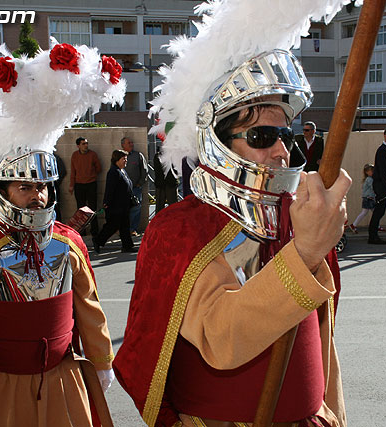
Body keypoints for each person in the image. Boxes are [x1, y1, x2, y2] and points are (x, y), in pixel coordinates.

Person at [114, 3, 351, 424]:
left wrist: (332, 412)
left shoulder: (295, 214)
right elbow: (222, 337)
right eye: (263, 135)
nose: (281, 150)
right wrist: (308, 252)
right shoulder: (181, 228)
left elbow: (323, 343)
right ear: (219, 142)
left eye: (285, 135)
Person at [0, 42, 125, 427]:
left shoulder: (69, 242)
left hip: (64, 380)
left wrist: (101, 361)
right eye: (25, 187)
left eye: (44, 187)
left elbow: (89, 309)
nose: (38, 196)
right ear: (1, 189)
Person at [93, 150, 136, 253]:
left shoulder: (122, 171)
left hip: (124, 205)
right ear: (117, 160)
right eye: (123, 159)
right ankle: (98, 240)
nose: (126, 161)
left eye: (126, 159)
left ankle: (127, 246)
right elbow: (110, 189)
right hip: (116, 206)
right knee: (112, 226)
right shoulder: (113, 172)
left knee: (125, 226)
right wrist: (106, 203)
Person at [69, 137, 101, 235]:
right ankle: (82, 231)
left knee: (92, 208)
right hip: (79, 185)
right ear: (78, 145)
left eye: (86, 143)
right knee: (80, 209)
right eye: (83, 144)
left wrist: (91, 175)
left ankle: (94, 230)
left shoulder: (92, 154)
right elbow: (73, 171)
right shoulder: (74, 155)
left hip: (91, 184)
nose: (86, 145)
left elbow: (98, 168)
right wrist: (71, 185)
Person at [120, 136, 147, 235]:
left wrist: (140, 183)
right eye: (129, 143)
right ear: (123, 145)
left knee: (136, 208)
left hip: (135, 188)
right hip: (123, 190)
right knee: (123, 209)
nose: (131, 144)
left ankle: (132, 229)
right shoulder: (119, 156)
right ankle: (123, 229)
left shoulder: (138, 155)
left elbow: (144, 171)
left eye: (132, 142)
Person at [348, 163, 385, 234]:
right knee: (368, 212)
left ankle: (376, 225)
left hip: (369, 198)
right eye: (371, 171)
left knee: (373, 213)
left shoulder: (368, 179)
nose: (373, 173)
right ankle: (354, 225)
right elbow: (373, 188)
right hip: (369, 198)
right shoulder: (369, 179)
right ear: (367, 172)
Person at [153, 147, 179, 213]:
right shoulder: (158, 156)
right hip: (162, 184)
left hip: (170, 183)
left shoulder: (174, 156)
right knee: (160, 207)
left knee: (173, 207)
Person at [54, 152, 67, 222]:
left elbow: (62, 171)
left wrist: (56, 182)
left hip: (54, 187)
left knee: (56, 207)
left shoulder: (55, 158)